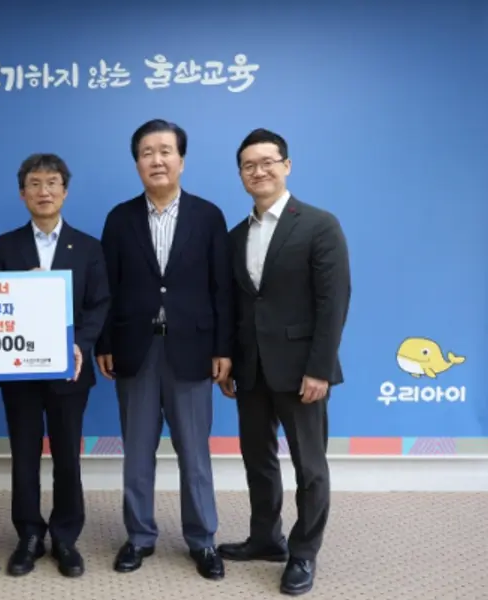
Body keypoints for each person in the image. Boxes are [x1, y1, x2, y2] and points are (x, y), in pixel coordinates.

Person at [94, 119, 232, 580]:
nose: (157, 160)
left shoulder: (208, 216)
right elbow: (107, 288)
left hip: (192, 349)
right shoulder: (119, 218)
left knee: (195, 453)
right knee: (137, 452)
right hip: (135, 349)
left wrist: (223, 348)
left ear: (181, 160)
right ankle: (139, 536)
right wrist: (105, 342)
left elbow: (222, 288)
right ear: (137, 163)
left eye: (165, 151)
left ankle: (203, 539)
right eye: (147, 152)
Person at [216, 128, 351, 596]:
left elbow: (333, 303)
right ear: (240, 174)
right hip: (250, 369)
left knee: (309, 467)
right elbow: (234, 305)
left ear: (286, 166)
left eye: (267, 162)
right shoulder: (235, 236)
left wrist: (320, 369)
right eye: (248, 165)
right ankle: (265, 539)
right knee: (257, 460)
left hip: (301, 371)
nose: (259, 171)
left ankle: (303, 552)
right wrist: (229, 360)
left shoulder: (318, 224)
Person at [0, 153, 110, 578]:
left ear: (65, 191)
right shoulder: (3, 247)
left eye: (52, 183)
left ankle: (65, 537)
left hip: (69, 369)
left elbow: (98, 304)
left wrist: (79, 345)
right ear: (23, 194)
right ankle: (28, 536)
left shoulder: (88, 247)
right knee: (24, 456)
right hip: (19, 370)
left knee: (67, 457)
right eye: (35, 184)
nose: (44, 191)